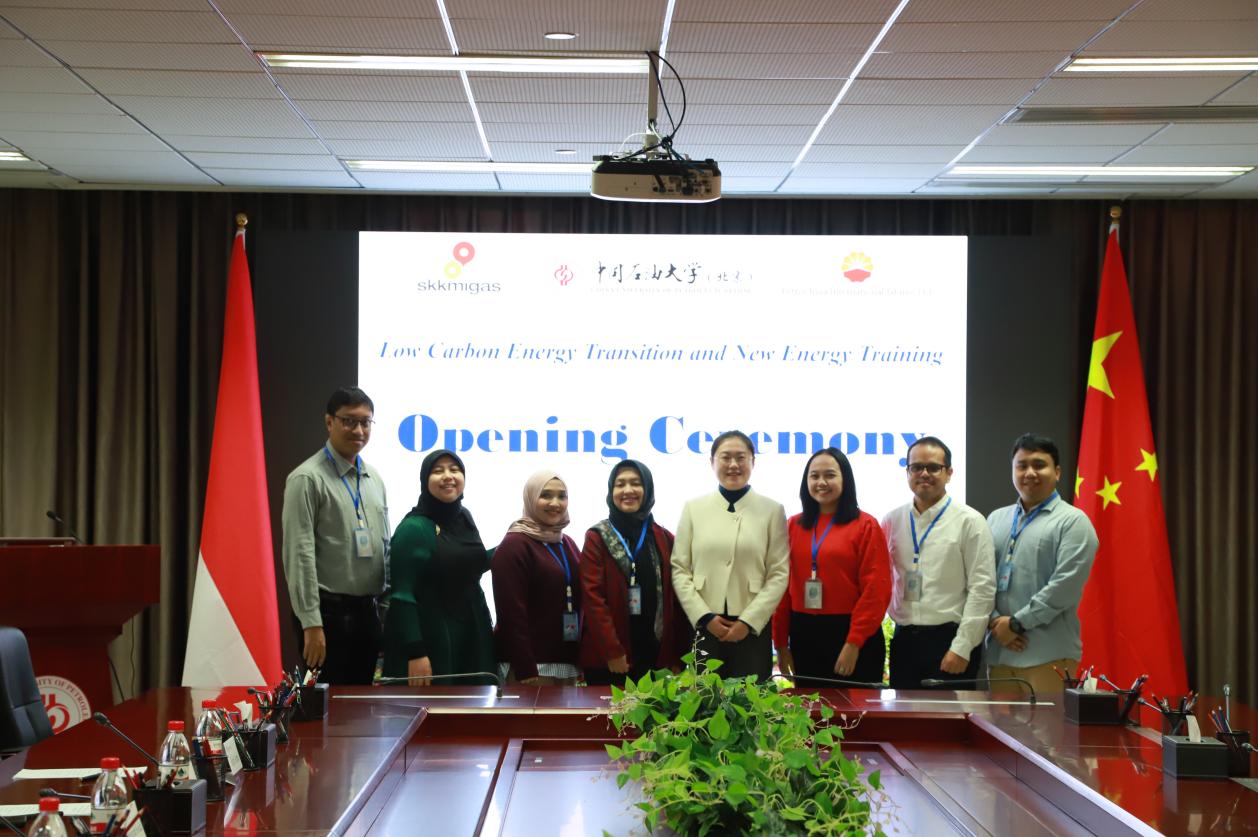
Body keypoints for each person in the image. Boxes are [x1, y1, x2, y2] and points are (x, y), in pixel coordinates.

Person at [281, 386, 389, 685]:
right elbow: (299, 554)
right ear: (329, 422)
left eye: (365, 422)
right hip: (327, 616)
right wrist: (311, 623)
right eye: (349, 421)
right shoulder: (306, 478)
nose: (359, 430)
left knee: (361, 705)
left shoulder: (374, 478)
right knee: (327, 707)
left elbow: (385, 546)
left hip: (368, 613)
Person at [985, 433, 1099, 695]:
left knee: (1048, 724)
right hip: (1000, 654)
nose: (1029, 473)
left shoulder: (1073, 522)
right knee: (997, 724)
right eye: (1022, 465)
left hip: (1049, 656)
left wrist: (1016, 624)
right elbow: (980, 579)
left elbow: (1065, 586)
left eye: (1039, 465)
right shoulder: (995, 519)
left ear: (1057, 472)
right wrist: (995, 622)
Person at [671, 431, 789, 681]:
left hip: (752, 627)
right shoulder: (693, 508)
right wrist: (704, 617)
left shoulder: (772, 510)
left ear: (753, 462)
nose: (733, 464)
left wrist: (749, 621)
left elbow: (779, 573)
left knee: (751, 699)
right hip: (705, 624)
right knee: (705, 699)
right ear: (712, 462)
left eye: (741, 457)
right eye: (725, 457)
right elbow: (680, 569)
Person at [881, 436, 996, 690]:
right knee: (903, 714)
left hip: (950, 642)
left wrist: (962, 647)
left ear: (949, 473)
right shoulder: (891, 520)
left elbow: (982, 589)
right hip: (904, 641)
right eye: (916, 467)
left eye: (933, 467)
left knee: (947, 715)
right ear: (907, 472)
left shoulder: (970, 521)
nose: (924, 474)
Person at [774, 448, 892, 686]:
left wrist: (854, 642)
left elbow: (876, 591)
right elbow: (781, 590)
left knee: (855, 708)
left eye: (830, 475)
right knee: (810, 708)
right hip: (804, 634)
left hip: (852, 635)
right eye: (814, 476)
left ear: (845, 479)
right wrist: (781, 645)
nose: (821, 482)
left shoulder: (865, 525)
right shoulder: (793, 525)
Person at [381, 449, 495, 686]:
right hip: (431, 641)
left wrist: (513, 543)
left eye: (455, 470)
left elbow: (470, 564)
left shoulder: (464, 517)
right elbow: (402, 596)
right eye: (438, 471)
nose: (448, 476)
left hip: (469, 633)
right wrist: (416, 652)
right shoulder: (413, 528)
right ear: (425, 479)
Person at [579, 460, 690, 686]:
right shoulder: (597, 537)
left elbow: (678, 600)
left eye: (636, 483)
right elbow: (593, 598)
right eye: (620, 484)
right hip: (612, 660)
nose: (628, 490)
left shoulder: (664, 538)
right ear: (611, 491)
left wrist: (679, 655)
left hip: (656, 657)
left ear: (647, 489)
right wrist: (612, 651)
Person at [492, 470, 583, 685]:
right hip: (530, 667)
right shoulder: (514, 545)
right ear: (531, 498)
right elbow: (511, 613)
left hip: (565, 663)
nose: (555, 503)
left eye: (562, 496)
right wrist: (524, 666)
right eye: (546, 495)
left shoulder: (567, 543)